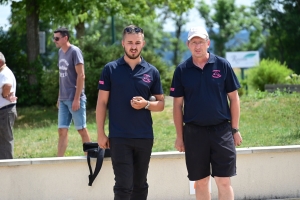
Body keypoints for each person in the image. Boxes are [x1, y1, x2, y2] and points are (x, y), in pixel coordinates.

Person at [169, 27, 243, 200]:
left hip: (222, 131)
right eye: (193, 42)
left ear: (207, 43)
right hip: (194, 133)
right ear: (188, 45)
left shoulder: (222, 65)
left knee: (223, 181)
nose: (197, 46)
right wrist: (180, 136)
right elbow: (177, 105)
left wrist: (235, 129)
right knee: (201, 182)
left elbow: (234, 98)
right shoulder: (182, 70)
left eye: (201, 42)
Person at [96, 25, 165, 200]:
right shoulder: (110, 69)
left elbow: (161, 104)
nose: (133, 46)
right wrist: (101, 133)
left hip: (144, 136)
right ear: (123, 43)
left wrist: (146, 104)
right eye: (129, 43)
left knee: (140, 185)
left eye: (137, 42)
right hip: (119, 137)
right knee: (123, 185)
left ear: (143, 43)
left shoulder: (152, 71)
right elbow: (102, 102)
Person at [53, 27, 91, 157]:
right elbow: (61, 77)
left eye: (57, 38)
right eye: (54, 38)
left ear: (65, 38)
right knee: (62, 130)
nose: (55, 41)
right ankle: (59, 161)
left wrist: (77, 99)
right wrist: (59, 97)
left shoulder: (75, 51)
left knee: (81, 129)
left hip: (75, 98)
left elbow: (81, 75)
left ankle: (90, 156)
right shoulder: (60, 53)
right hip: (63, 99)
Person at [0, 52, 17, 159]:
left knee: (6, 140)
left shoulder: (4, 73)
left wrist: (4, 94)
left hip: (5, 111)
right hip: (4, 110)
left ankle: (8, 167)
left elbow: (8, 85)